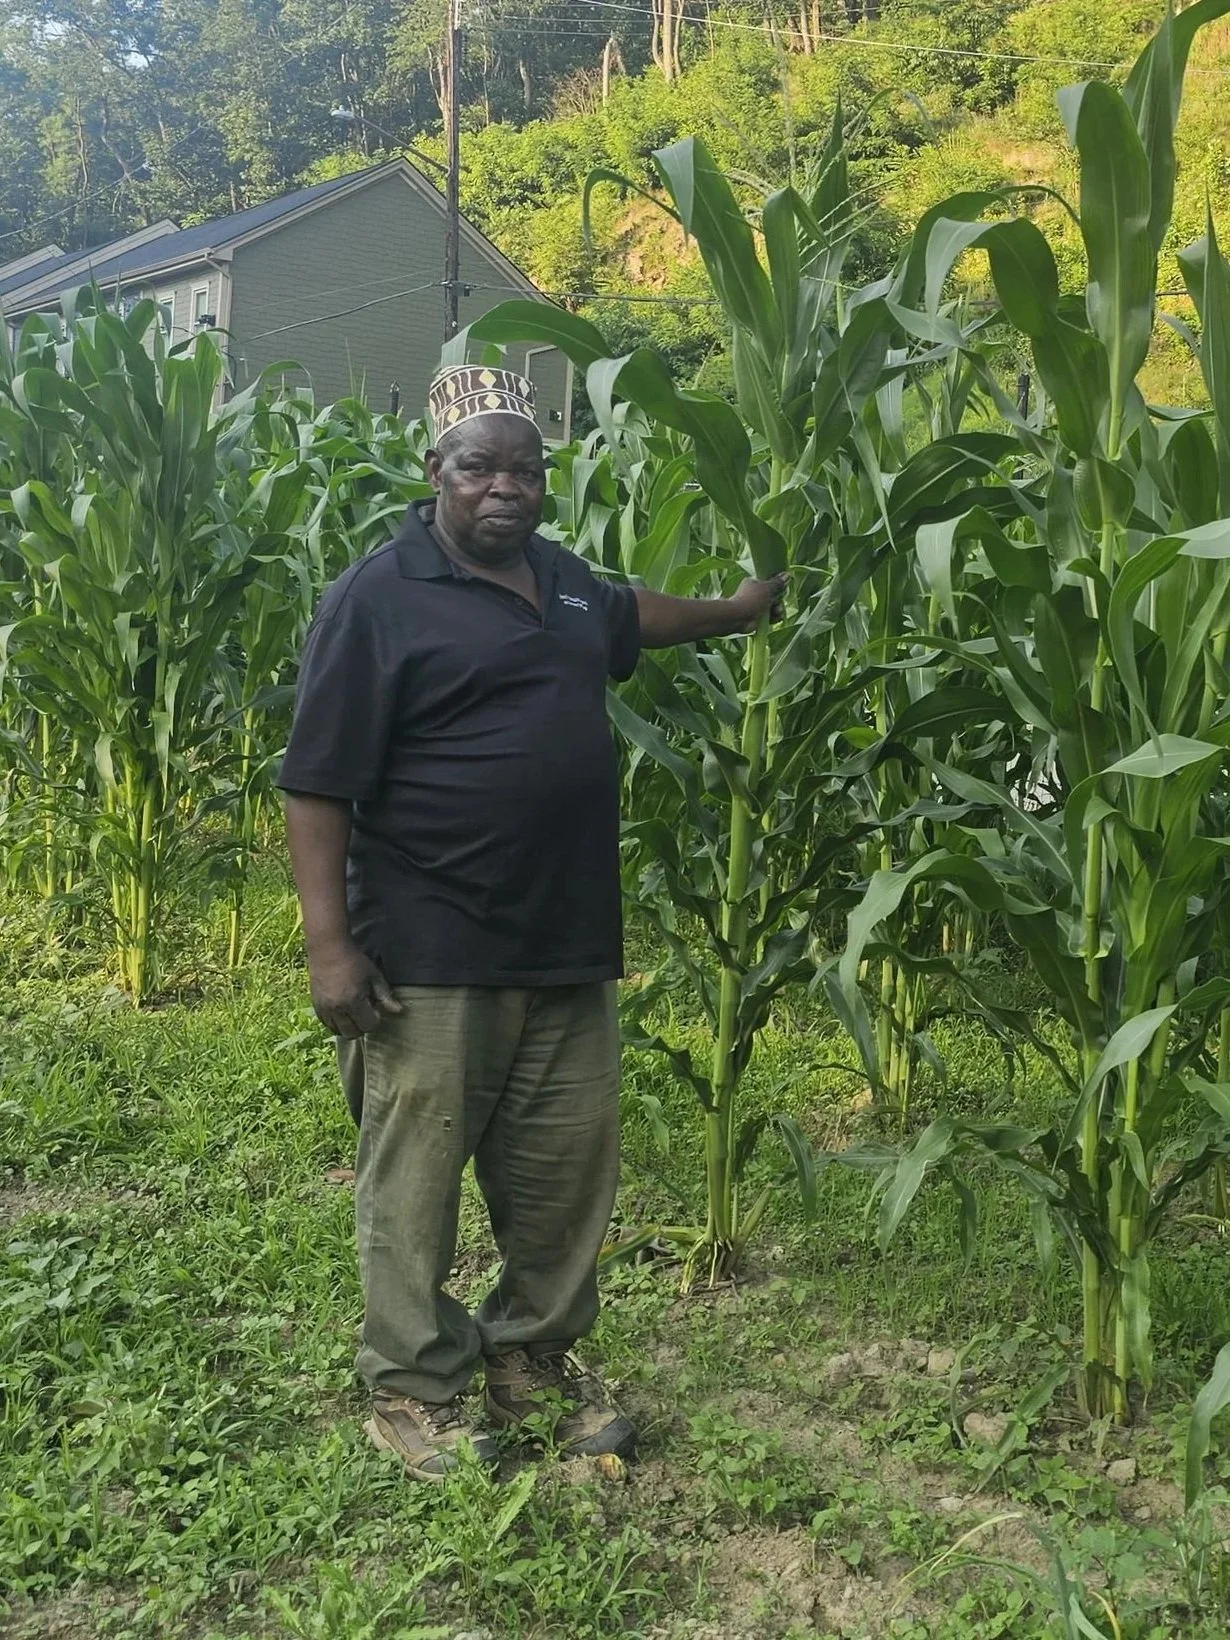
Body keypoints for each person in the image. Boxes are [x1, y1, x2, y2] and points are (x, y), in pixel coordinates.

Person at [279, 364, 786, 1482]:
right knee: (414, 1181)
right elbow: (315, 785)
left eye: (525, 466)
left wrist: (737, 611)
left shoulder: (559, 583)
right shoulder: (379, 596)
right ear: (437, 475)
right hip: (430, 948)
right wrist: (331, 945)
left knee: (564, 1175)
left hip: (567, 943)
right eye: (480, 465)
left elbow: (629, 616)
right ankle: (414, 1384)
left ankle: (531, 1359)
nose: (504, 485)